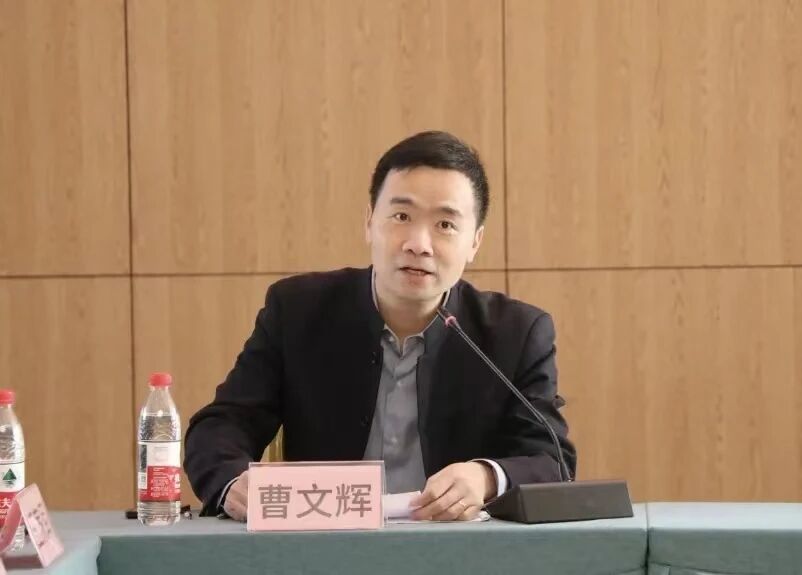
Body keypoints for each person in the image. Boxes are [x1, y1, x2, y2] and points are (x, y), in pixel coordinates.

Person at [184, 131, 576, 521]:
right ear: (370, 222)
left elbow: (552, 460)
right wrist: (233, 482)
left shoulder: (516, 333)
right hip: (325, 544)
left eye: (445, 224)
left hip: (458, 547)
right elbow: (221, 426)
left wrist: (486, 477)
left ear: (475, 241)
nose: (418, 244)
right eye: (402, 216)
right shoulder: (299, 312)